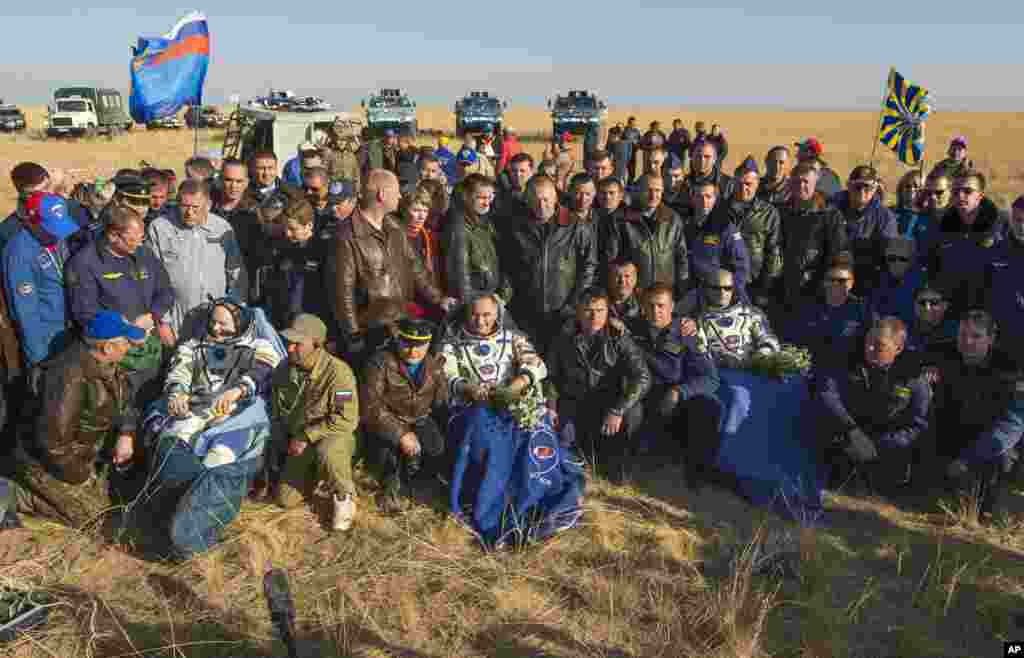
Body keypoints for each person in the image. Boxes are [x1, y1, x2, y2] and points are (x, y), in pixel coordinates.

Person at [10, 311, 140, 528]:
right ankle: (19, 494)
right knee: (95, 523)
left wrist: (126, 433)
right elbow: (53, 444)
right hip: (44, 463)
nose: (132, 345)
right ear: (107, 347)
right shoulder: (68, 378)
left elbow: (124, 399)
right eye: (126, 341)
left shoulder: (109, 365)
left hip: (82, 456)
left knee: (111, 510)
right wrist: (82, 475)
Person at [333, 170, 455, 366]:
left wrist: (438, 298)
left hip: (401, 323)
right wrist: (353, 336)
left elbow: (416, 269)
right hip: (370, 332)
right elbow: (342, 294)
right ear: (382, 195)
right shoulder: (346, 236)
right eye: (396, 191)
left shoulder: (394, 227)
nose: (400, 196)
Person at [65, 205, 175, 410]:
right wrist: (125, 327)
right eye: (133, 239)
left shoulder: (143, 254)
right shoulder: (84, 263)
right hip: (117, 355)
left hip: (150, 347)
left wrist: (152, 315)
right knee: (122, 413)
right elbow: (84, 313)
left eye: (142, 237)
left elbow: (166, 291)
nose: (140, 243)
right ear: (114, 235)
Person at [926, 310, 1023, 519]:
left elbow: (1010, 427)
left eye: (976, 336)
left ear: (991, 339)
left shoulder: (1010, 368)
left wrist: (967, 460)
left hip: (988, 447)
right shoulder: (943, 355)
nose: (967, 341)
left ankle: (989, 508)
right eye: (962, 335)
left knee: (1003, 457)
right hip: (952, 439)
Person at [545, 289, 651, 475]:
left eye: (600, 310)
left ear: (608, 311)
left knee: (634, 412)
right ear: (578, 311)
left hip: (608, 404)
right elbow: (551, 376)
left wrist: (618, 409)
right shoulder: (563, 337)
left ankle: (621, 462)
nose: (594, 316)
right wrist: (551, 407)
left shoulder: (618, 337)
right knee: (563, 446)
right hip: (575, 403)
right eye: (588, 310)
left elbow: (642, 377)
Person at [817, 318, 930, 493]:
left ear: (898, 348)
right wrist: (851, 430)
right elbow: (827, 393)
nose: (869, 349)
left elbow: (918, 426)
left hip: (887, 454)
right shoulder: (849, 360)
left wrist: (877, 445)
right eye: (868, 341)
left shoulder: (913, 378)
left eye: (879, 345)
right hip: (850, 443)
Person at [628, 283, 721, 488]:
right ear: (643, 306)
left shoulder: (686, 333)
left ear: (672, 307)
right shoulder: (633, 329)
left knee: (706, 408)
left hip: (675, 401)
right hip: (644, 398)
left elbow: (710, 378)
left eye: (661, 306)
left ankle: (696, 479)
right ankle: (629, 469)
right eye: (651, 306)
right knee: (630, 410)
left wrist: (680, 391)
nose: (656, 311)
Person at [272, 314, 359, 531]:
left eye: (297, 343)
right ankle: (319, 477)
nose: (290, 348)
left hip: (332, 437)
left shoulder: (340, 373)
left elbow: (346, 419)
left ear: (317, 344)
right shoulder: (283, 370)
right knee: (285, 499)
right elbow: (278, 412)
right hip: (300, 444)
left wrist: (307, 435)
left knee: (329, 451)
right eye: (289, 342)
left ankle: (344, 497)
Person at [360, 318, 449, 512]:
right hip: (387, 421)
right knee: (388, 456)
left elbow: (442, 403)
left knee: (436, 448)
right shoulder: (379, 362)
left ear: (428, 343)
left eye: (420, 345)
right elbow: (370, 407)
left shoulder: (434, 366)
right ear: (398, 340)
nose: (413, 351)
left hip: (420, 419)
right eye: (407, 344)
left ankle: (421, 485)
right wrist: (401, 434)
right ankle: (389, 487)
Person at [501, 175, 598, 349]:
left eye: (546, 199)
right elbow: (509, 267)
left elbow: (588, 267)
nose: (541, 205)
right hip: (527, 311)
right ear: (527, 200)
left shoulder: (576, 226)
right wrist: (504, 301)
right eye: (536, 200)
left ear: (555, 198)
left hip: (564, 311)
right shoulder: (516, 227)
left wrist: (574, 304)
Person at [146, 179, 248, 339]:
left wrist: (233, 314)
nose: (189, 213)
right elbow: (152, 279)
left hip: (215, 321)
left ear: (208, 205)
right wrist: (162, 322)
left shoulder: (222, 228)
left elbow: (236, 275)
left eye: (195, 207)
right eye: (184, 206)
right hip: (175, 319)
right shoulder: (159, 228)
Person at [3, 192, 81, 372]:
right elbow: (25, 312)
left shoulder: (57, 237)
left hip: (68, 331)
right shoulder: (18, 251)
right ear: (32, 220)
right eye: (52, 227)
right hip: (46, 341)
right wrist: (39, 359)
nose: (59, 233)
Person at [925, 171, 1007, 313]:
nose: (960, 196)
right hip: (952, 309)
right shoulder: (944, 226)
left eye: (967, 191)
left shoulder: (1001, 225)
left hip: (992, 310)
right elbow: (934, 268)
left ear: (980, 195)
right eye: (956, 192)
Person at [778, 162, 850, 309]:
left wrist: (826, 284)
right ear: (790, 183)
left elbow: (837, 252)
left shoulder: (829, 214)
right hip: (784, 288)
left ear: (815, 184)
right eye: (797, 181)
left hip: (816, 290)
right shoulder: (781, 211)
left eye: (806, 182)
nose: (801, 185)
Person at [605, 173, 688, 298]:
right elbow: (611, 260)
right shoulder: (620, 220)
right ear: (638, 191)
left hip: (664, 295)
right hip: (635, 295)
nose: (653, 195)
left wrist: (682, 290)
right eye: (648, 190)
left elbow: (681, 258)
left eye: (658, 190)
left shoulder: (672, 219)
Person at [784, 261, 874, 372]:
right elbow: (792, 344)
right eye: (831, 280)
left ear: (851, 283)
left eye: (841, 281)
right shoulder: (807, 308)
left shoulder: (863, 310)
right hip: (812, 374)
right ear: (824, 282)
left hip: (849, 374)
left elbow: (871, 346)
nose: (835, 284)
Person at [692, 268, 780, 368]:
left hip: (754, 371)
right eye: (716, 288)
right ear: (706, 290)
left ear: (733, 289)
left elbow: (770, 341)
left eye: (727, 288)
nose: (722, 293)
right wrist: (722, 359)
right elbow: (698, 353)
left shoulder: (751, 314)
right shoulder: (698, 320)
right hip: (719, 374)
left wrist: (761, 355)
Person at [444, 174, 510, 307]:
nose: (487, 203)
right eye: (481, 198)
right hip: (476, 305)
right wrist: (474, 306)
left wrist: (502, 295)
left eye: (489, 197)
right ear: (467, 197)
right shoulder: (459, 228)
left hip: (490, 298)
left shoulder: (484, 222)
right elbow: (460, 277)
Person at [831, 165, 898, 294]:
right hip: (833, 278)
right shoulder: (832, 210)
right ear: (848, 185)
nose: (862, 191)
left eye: (867, 187)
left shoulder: (885, 217)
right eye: (857, 186)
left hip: (867, 283)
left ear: (875, 189)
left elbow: (888, 255)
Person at [726, 157, 783, 308]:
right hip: (725, 285)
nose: (743, 188)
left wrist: (765, 288)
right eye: (739, 183)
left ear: (757, 184)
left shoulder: (768, 213)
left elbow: (774, 253)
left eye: (748, 184)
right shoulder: (721, 209)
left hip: (754, 285)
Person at [680, 180, 750, 302]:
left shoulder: (725, 227)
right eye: (699, 197)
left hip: (719, 294)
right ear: (692, 199)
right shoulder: (684, 226)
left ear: (715, 199)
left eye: (708, 197)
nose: (704, 202)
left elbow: (741, 264)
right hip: (691, 292)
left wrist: (733, 293)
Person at [979, 197, 1024, 364]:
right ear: (1010, 219)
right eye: (1018, 220)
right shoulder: (994, 253)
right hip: (1001, 342)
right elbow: (981, 294)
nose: (1022, 227)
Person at [401, 185, 445, 318]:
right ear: (404, 210)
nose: (421, 216)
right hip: (405, 305)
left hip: (427, 300)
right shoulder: (395, 235)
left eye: (425, 211)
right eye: (416, 210)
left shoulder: (425, 235)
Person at [866, 238, 927, 330]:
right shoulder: (880, 280)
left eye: (902, 259)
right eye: (891, 259)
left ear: (912, 260)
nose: (896, 263)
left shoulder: (922, 284)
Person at [903, 283, 957, 359]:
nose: (927, 308)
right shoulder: (902, 332)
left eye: (934, 302)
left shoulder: (957, 332)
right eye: (922, 303)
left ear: (945, 305)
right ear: (915, 305)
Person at [680, 139, 735, 205]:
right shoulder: (683, 183)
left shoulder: (728, 185)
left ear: (714, 159)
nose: (702, 160)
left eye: (707, 157)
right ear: (691, 158)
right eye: (698, 156)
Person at [893, 171, 927, 242]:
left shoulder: (928, 216)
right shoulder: (890, 212)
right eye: (908, 186)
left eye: (916, 186)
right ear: (901, 188)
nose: (912, 189)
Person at [607, 259, 642, 323]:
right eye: (617, 276)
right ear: (610, 279)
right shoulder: (600, 304)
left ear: (634, 280)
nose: (622, 281)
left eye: (627, 276)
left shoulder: (644, 303)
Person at [622, 117, 642, 184]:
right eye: (631, 123)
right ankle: (623, 182)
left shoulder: (636, 131)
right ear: (628, 123)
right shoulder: (624, 130)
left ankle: (630, 182)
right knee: (624, 167)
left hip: (633, 151)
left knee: (633, 167)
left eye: (634, 123)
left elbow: (640, 140)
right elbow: (621, 139)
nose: (633, 124)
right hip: (625, 151)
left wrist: (638, 145)